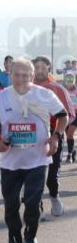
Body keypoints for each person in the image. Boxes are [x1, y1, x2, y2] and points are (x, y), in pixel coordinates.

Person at [0, 59, 68, 243]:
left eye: (25, 75)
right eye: (17, 74)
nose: (21, 78)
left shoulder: (44, 94)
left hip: (38, 160)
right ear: (10, 75)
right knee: (11, 206)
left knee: (32, 204)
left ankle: (30, 238)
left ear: (32, 76)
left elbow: (63, 116)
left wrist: (56, 137)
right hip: (10, 162)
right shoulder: (1, 97)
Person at [33, 56, 74, 217]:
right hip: (31, 134)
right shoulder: (24, 88)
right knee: (33, 174)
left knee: (51, 175)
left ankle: (54, 196)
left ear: (48, 69)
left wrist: (57, 133)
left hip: (53, 132)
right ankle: (36, 206)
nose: (39, 71)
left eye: (43, 67)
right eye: (36, 67)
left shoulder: (57, 89)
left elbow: (69, 114)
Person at [63, 73, 77, 163]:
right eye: (68, 80)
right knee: (68, 136)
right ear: (65, 81)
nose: (69, 82)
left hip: (75, 114)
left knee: (70, 134)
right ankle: (72, 151)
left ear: (74, 81)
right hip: (65, 115)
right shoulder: (62, 90)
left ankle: (69, 155)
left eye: (71, 80)